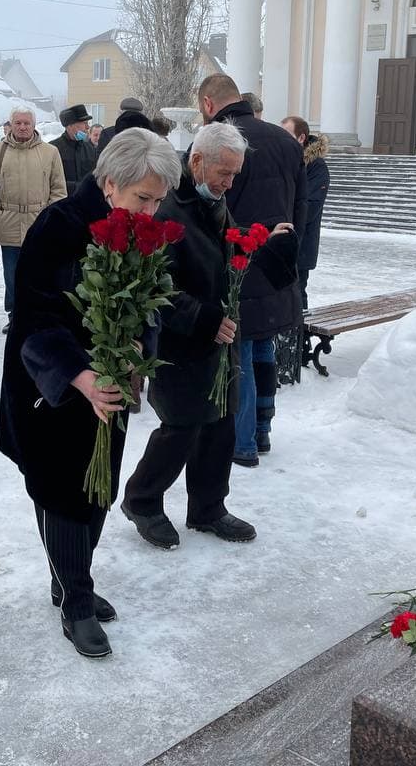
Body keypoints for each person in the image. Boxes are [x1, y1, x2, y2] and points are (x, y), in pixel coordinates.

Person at [0, 128, 181, 659]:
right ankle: (76, 600)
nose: (150, 211)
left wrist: (135, 354)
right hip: (52, 387)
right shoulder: (58, 227)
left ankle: (69, 577)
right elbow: (35, 315)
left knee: (97, 490)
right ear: (108, 184)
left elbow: (146, 304)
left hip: (111, 385)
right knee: (61, 492)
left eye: (158, 200)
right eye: (142, 198)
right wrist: (80, 376)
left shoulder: (134, 231)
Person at [122, 122, 296, 550]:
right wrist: (202, 319)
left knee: (219, 424)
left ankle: (208, 507)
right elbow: (154, 286)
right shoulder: (167, 207)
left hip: (221, 337)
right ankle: (142, 500)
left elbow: (225, 250)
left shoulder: (214, 200)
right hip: (184, 340)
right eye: (224, 172)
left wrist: (261, 243)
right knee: (181, 425)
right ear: (196, 161)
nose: (229, 182)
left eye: (235, 174)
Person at [198, 74, 307, 467]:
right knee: (263, 348)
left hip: (237, 264)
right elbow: (301, 209)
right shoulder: (285, 140)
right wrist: (290, 257)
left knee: (238, 353)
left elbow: (211, 210)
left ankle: (241, 444)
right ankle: (262, 431)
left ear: (209, 104)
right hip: (277, 261)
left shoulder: (217, 143)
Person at [0, 106, 66, 333]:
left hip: (39, 222)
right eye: (18, 123)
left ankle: (38, 314)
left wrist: (50, 218)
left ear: (34, 125)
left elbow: (58, 190)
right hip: (8, 222)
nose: (22, 127)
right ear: (10, 125)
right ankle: (15, 316)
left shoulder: (50, 152)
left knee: (39, 273)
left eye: (26, 123)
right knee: (12, 276)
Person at [280, 116, 330, 309]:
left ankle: (300, 337)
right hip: (281, 242)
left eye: (286, 134)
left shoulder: (316, 167)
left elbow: (309, 207)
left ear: (301, 138)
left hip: (301, 246)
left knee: (297, 294)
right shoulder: (285, 162)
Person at [50, 104, 98, 196]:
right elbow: (50, 181)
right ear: (70, 125)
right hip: (62, 203)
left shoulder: (90, 149)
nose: (88, 127)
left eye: (88, 123)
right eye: (84, 123)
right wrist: (77, 187)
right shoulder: (53, 149)